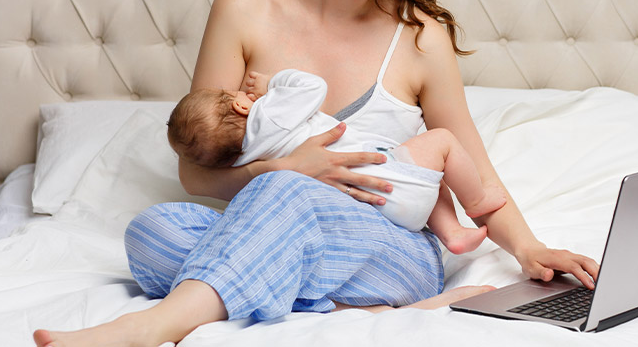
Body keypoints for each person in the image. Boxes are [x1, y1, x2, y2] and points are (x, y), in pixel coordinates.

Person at [33, 0, 599, 347]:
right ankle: (331, 304)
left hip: (392, 248)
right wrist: (286, 169)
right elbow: (196, 171)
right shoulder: (244, 8)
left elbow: (469, 157)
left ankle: (148, 328)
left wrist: (527, 248)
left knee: (290, 195)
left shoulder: (422, 36)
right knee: (152, 233)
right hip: (283, 225)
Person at [167, 68, 507, 254]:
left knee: (425, 179)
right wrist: (272, 84)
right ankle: (474, 203)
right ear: (241, 106)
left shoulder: (242, 160)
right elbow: (312, 86)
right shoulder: (268, 114)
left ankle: (451, 234)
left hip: (371, 210)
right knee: (443, 143)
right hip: (387, 176)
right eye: (236, 96)